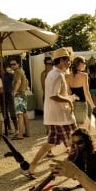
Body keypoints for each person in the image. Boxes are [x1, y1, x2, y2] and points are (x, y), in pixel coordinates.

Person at [27, 48, 76, 176]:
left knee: (50, 143)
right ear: (61, 60)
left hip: (54, 116)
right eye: (68, 60)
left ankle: (32, 165)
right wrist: (69, 101)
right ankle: (75, 169)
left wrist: (68, 98)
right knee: (75, 143)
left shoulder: (52, 73)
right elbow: (53, 96)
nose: (69, 63)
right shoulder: (57, 74)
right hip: (62, 117)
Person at [66, 56, 94, 126]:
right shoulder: (84, 75)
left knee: (74, 127)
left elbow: (68, 92)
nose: (85, 64)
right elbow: (86, 93)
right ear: (79, 64)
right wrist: (93, 106)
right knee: (82, 128)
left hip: (71, 105)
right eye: (84, 62)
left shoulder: (67, 76)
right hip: (81, 104)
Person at [10, 58, 29, 139]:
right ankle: (27, 132)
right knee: (24, 114)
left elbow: (18, 81)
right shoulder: (21, 72)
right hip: (23, 94)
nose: (12, 66)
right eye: (11, 65)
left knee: (19, 115)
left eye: (14, 64)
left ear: (18, 64)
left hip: (19, 95)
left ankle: (20, 134)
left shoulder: (17, 72)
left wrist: (14, 92)